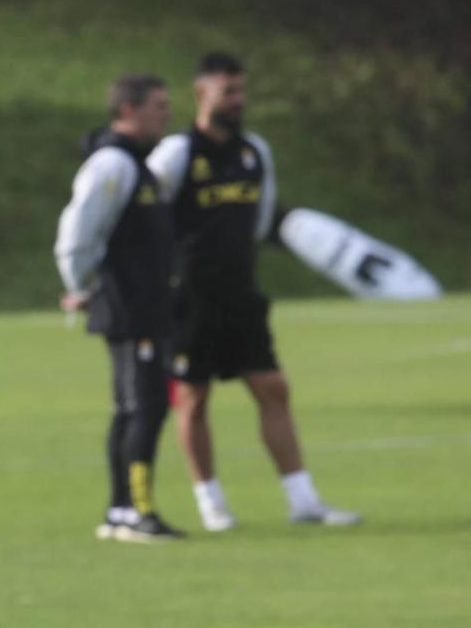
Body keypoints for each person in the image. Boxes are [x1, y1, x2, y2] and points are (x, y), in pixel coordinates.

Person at [147, 52, 359, 531]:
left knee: (272, 387)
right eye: (229, 92)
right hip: (190, 296)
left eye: (242, 91)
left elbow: (261, 217)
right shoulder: (178, 154)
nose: (238, 101)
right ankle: (212, 503)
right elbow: (148, 216)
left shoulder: (254, 152)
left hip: (240, 292)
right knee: (194, 397)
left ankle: (302, 499)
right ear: (202, 94)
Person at [55, 73, 185, 542]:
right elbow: (79, 231)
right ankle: (135, 513)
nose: (167, 114)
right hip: (132, 310)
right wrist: (81, 284)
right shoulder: (112, 163)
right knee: (144, 408)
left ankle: (120, 511)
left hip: (146, 308)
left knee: (134, 408)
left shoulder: (137, 162)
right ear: (128, 111)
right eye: (158, 105)